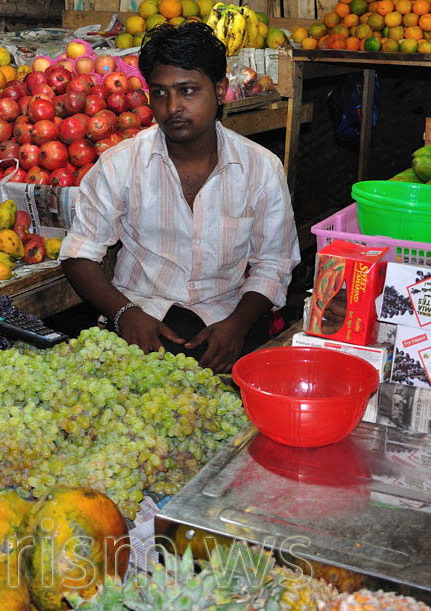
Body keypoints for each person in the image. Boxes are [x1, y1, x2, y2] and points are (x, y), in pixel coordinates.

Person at [59, 21, 299, 373]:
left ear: (219, 91)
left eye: (188, 91)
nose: (172, 107)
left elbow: (274, 264)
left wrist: (238, 325)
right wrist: (125, 313)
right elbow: (78, 254)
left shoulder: (260, 168)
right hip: (142, 317)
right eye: (160, 93)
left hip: (226, 318)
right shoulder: (120, 165)